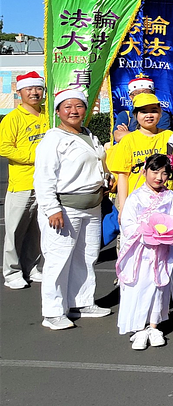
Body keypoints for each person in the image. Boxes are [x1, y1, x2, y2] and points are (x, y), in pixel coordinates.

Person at [33, 88, 112, 330]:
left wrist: (106, 179)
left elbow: (97, 164)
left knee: (87, 257)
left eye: (78, 106)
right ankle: (53, 311)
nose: (73, 111)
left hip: (92, 206)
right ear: (57, 111)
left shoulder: (89, 134)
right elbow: (43, 178)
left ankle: (81, 302)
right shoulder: (53, 139)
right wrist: (52, 208)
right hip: (65, 209)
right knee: (58, 260)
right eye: (67, 107)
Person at [116, 153, 173, 350]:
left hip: (160, 250)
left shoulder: (170, 197)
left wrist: (167, 231)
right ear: (145, 171)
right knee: (138, 286)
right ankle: (138, 328)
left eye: (164, 173)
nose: (159, 177)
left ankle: (154, 325)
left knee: (158, 286)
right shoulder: (135, 197)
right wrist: (146, 231)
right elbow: (128, 224)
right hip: (139, 250)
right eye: (154, 171)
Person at [1, 71, 48, 290]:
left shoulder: (49, 116)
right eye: (29, 89)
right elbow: (4, 147)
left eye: (38, 88)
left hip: (46, 184)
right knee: (15, 230)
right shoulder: (13, 118)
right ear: (19, 92)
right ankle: (11, 272)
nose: (34, 93)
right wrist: (33, 158)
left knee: (38, 230)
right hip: (22, 183)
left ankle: (32, 268)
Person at [107, 92, 173, 212]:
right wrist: (123, 208)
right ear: (136, 115)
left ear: (160, 113)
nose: (149, 115)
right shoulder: (128, 140)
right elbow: (123, 176)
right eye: (143, 111)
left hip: (165, 203)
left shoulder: (170, 137)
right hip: (137, 204)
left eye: (153, 110)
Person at [112, 75, 172, 142]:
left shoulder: (162, 115)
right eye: (137, 93)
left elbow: (161, 138)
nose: (142, 96)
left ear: (153, 94)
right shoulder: (125, 115)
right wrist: (150, 136)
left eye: (145, 92)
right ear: (131, 97)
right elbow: (118, 137)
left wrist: (129, 135)